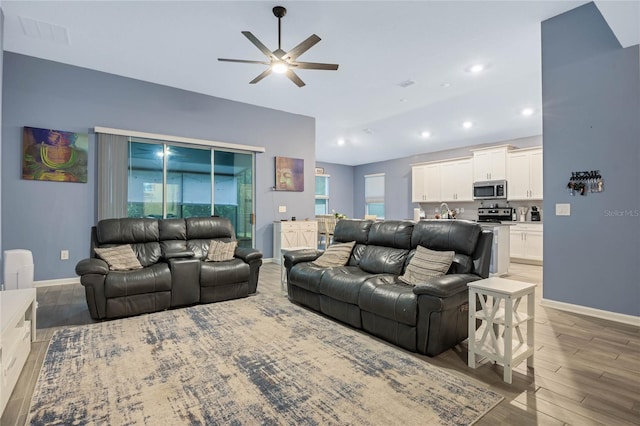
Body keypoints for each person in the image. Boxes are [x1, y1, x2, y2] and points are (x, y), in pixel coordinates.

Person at [22, 127, 88, 182]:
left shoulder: (80, 154)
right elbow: (29, 174)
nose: (60, 138)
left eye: (65, 135)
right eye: (54, 132)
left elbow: (83, 177)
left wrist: (69, 177)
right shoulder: (35, 150)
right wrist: (45, 175)